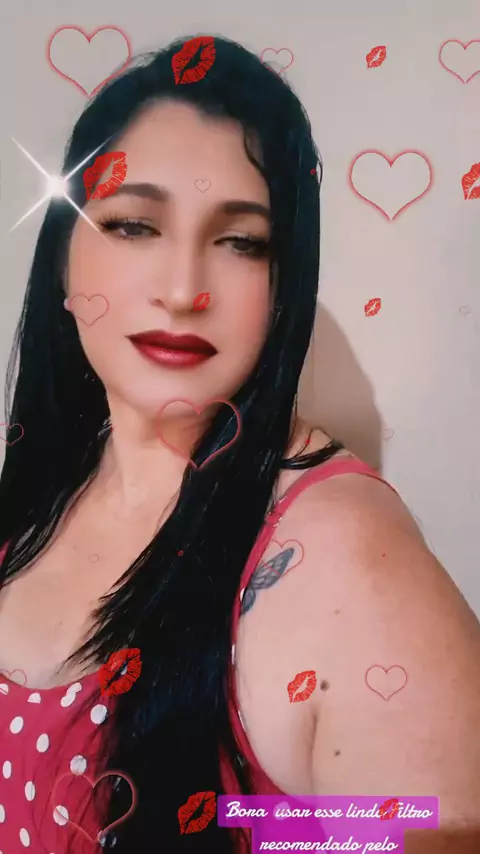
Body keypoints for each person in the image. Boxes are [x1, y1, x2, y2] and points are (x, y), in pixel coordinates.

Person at [0, 33, 478, 854]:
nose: (184, 289)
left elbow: (403, 831)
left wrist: (249, 826)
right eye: (133, 225)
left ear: (283, 283)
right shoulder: (50, 476)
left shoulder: (342, 555)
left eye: (242, 241)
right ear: (64, 265)